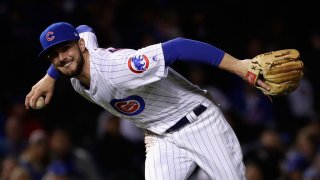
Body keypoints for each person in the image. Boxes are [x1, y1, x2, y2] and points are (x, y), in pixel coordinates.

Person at [25, 22, 271, 179]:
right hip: (161, 137)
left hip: (199, 122)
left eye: (65, 48)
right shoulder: (77, 72)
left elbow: (178, 46)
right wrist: (50, 77)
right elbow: (85, 28)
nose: (61, 57)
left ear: (79, 46)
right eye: (53, 55)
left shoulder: (116, 68)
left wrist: (240, 67)